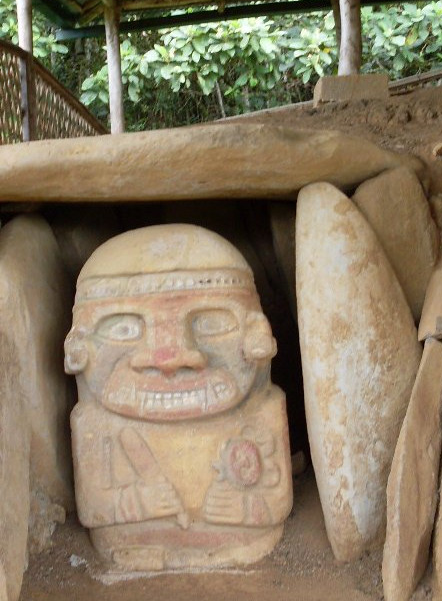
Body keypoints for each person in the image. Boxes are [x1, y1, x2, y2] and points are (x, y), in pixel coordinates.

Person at [64, 223, 293, 570]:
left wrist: (248, 508)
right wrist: (136, 501)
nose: (169, 359)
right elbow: (95, 508)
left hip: (244, 543)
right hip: (135, 549)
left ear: (258, 335)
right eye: (124, 328)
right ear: (77, 348)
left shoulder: (263, 413)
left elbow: (276, 500)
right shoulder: (95, 425)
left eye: (210, 323)